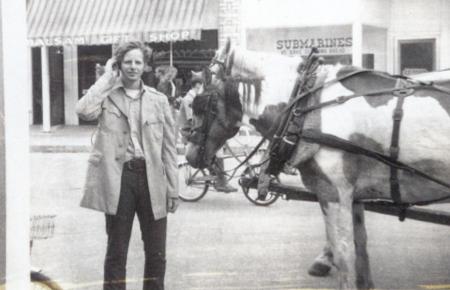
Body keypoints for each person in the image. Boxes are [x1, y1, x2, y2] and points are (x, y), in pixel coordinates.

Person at [76, 41, 179, 290]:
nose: (133, 67)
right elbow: (83, 110)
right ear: (118, 65)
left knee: (157, 253)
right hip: (119, 180)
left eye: (138, 62)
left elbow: (169, 149)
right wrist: (107, 79)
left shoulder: (159, 100)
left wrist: (173, 189)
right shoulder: (106, 97)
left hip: (152, 180)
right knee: (116, 251)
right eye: (127, 62)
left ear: (145, 67)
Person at [177, 77, 237, 193]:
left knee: (216, 151)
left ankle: (218, 178)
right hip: (190, 133)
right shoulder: (189, 99)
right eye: (202, 86)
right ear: (197, 85)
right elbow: (193, 121)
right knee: (217, 152)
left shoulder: (198, 98)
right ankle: (221, 182)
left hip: (196, 133)